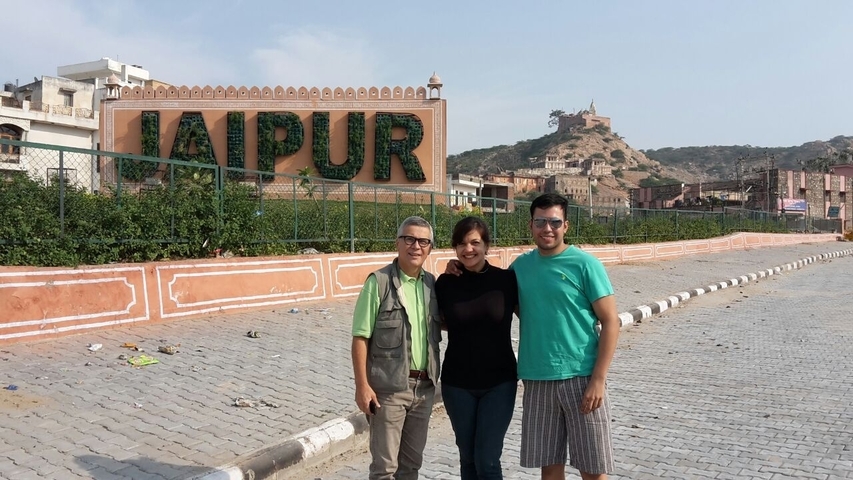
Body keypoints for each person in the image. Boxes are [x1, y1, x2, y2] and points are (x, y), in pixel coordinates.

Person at [446, 193, 620, 480]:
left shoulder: (585, 264)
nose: (547, 228)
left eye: (554, 221)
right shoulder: (520, 268)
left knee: (592, 469)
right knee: (549, 469)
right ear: (531, 225)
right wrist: (457, 269)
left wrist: (598, 380)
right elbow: (488, 293)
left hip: (581, 378)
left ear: (566, 226)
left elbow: (611, 321)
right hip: (537, 380)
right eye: (541, 221)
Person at [351, 216, 443, 480]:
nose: (416, 246)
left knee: (411, 467)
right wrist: (362, 386)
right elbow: (360, 337)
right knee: (385, 469)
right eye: (409, 239)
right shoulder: (378, 283)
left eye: (423, 241)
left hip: (424, 390)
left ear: (430, 248)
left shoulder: (432, 285)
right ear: (398, 243)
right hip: (389, 391)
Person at [435, 216, 519, 480]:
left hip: (499, 383)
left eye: (474, 242)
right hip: (457, 383)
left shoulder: (506, 281)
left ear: (487, 245)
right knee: (468, 457)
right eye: (461, 243)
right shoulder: (445, 283)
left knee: (488, 460)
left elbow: (531, 316)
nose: (468, 249)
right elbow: (439, 321)